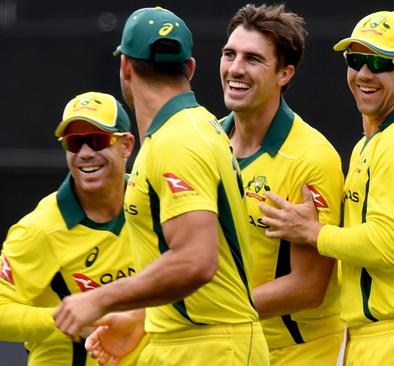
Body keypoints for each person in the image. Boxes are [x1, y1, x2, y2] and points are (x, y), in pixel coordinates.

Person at [52, 7, 269, 366]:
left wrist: (99, 298)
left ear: (125, 68)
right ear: (191, 68)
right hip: (187, 342)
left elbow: (195, 260)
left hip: (210, 350)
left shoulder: (178, 139)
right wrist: (143, 319)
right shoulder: (190, 128)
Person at [259, 10, 394, 366]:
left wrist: (312, 232)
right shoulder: (370, 143)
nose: (364, 73)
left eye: (379, 62)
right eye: (355, 59)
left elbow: (383, 246)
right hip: (376, 339)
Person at [0, 91, 146, 365]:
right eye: (75, 143)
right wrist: (75, 318)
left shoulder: (153, 206)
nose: (86, 153)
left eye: (98, 140)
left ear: (126, 145)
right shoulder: (40, 228)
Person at [219, 4, 345, 365]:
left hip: (299, 353)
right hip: (226, 347)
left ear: (284, 74)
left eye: (253, 59)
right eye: (230, 54)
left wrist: (214, 312)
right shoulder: (204, 142)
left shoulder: (312, 157)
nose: (236, 69)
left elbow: (309, 288)